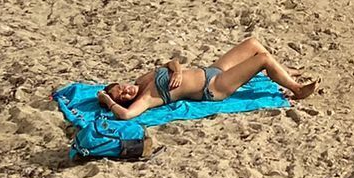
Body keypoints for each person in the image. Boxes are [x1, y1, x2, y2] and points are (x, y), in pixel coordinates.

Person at [98, 36, 318, 122]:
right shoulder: (145, 98)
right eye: (124, 96)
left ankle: (283, 72)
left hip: (211, 71)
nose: (127, 91)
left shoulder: (141, 80)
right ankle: (296, 89)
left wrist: (176, 71)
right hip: (213, 87)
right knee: (263, 58)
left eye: (122, 88)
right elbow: (126, 115)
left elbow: (170, 62)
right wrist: (109, 101)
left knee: (253, 44)